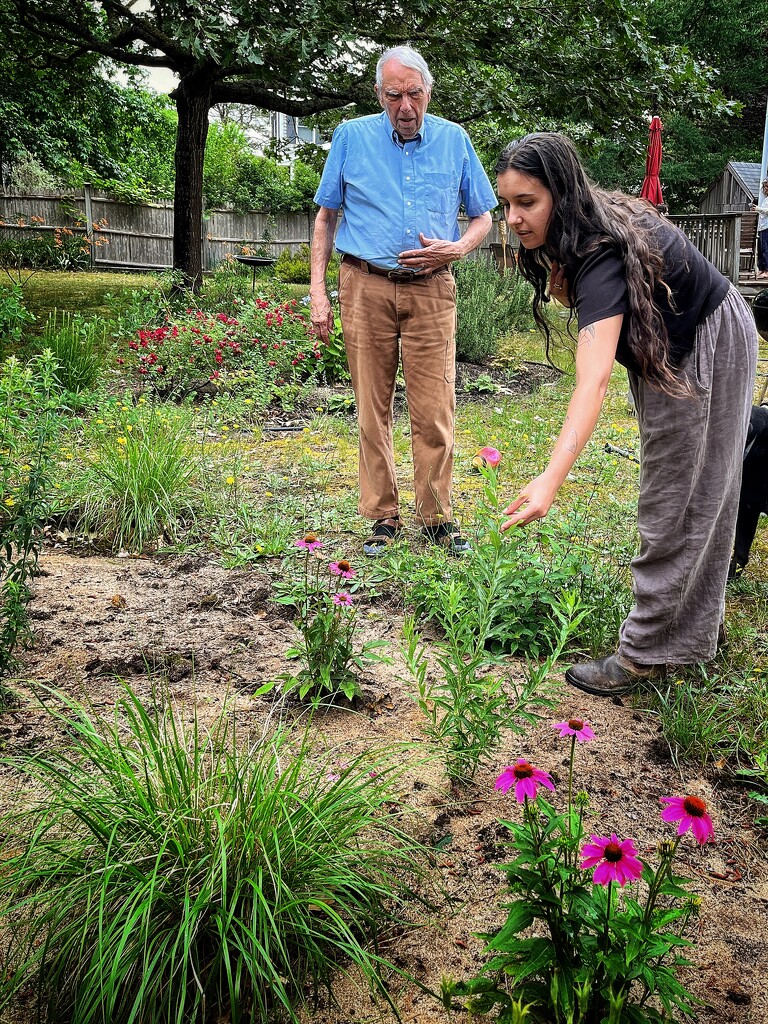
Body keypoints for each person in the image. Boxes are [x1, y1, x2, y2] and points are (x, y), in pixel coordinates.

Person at [495, 132, 757, 696]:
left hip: (704, 340)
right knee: (689, 489)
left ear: (562, 196)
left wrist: (550, 479)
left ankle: (645, 656)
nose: (513, 218)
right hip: (670, 345)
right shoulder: (582, 231)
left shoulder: (599, 252)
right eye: (507, 203)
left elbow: (590, 382)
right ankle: (680, 644)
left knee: (680, 495)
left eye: (527, 203)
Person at [310, 45, 496, 556]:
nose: (406, 107)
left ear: (428, 92)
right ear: (380, 94)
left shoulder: (455, 140)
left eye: (415, 94)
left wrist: (459, 246)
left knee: (434, 408)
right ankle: (383, 516)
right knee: (371, 406)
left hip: (432, 289)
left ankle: (436, 517)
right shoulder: (351, 137)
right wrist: (318, 294)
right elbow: (325, 218)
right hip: (364, 284)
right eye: (395, 95)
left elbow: (484, 214)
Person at [753, 178, 768, 279]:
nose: (765, 189)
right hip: (762, 226)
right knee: (761, 248)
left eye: (767, 187)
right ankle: (762, 269)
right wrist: (756, 209)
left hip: (767, 226)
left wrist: (758, 209)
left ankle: (767, 270)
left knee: (766, 249)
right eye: (765, 187)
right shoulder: (766, 199)